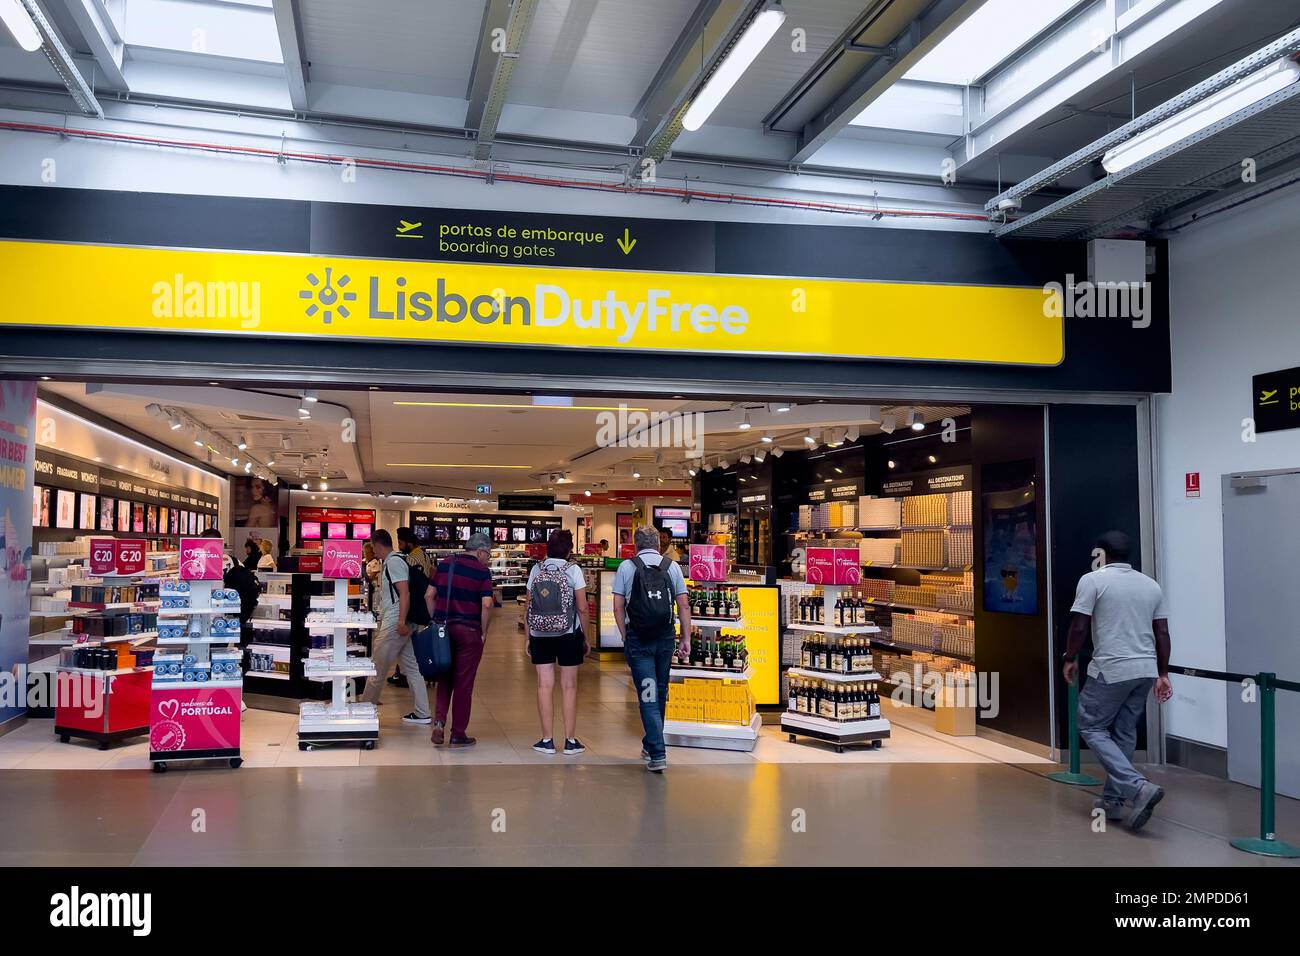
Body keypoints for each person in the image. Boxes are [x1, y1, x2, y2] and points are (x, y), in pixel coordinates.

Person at [1063, 530, 1173, 831]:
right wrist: (1163, 674)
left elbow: (1080, 624)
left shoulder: (1093, 580)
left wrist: (1070, 657)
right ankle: (1112, 801)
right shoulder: (1151, 585)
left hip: (1111, 668)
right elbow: (1161, 632)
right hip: (1146, 669)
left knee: (1091, 725)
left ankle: (1137, 788)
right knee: (1124, 732)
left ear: (1101, 554)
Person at [612, 525, 691, 773]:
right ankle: (651, 743)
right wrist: (685, 637)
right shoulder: (672, 567)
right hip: (665, 638)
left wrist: (625, 635)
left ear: (636, 545)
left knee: (647, 693)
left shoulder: (627, 567)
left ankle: (657, 752)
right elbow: (684, 605)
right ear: (659, 544)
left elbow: (617, 607)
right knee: (660, 690)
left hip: (639, 639)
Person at [425, 532, 495, 747]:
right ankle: (458, 733)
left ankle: (439, 722)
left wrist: (435, 621)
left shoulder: (445, 564)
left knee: (444, 678)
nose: (487, 559)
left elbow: (429, 595)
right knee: (463, 683)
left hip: (443, 630)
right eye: (488, 555)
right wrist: (483, 632)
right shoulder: (482, 572)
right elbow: (486, 604)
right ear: (481, 551)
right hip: (469, 631)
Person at [525, 529, 589, 755]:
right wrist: (586, 635)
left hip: (540, 633)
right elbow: (582, 606)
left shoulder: (536, 569)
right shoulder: (574, 570)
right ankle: (570, 741)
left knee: (544, 685)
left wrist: (528, 636)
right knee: (569, 686)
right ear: (570, 549)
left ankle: (547, 740)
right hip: (568, 633)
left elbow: (529, 604)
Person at [360, 530, 431, 725]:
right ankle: (423, 712)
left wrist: (400, 622)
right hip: (404, 624)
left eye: (373, 547)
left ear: (377, 545)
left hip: (395, 625)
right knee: (412, 668)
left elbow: (404, 593)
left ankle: (365, 711)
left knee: (377, 669)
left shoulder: (393, 562)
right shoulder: (401, 559)